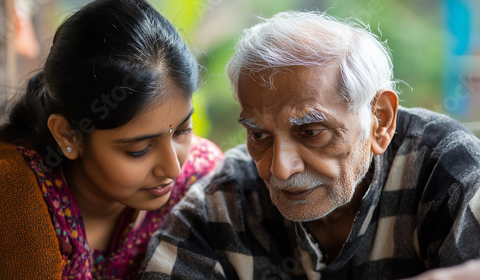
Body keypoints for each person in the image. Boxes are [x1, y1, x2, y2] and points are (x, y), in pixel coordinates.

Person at [140, 10, 480, 280]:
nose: (280, 169)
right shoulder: (219, 206)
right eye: (259, 135)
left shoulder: (447, 168)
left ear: (380, 120)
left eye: (311, 132)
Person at [0, 0, 223, 279]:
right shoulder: (8, 195)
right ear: (68, 135)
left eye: (182, 130)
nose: (173, 169)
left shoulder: (201, 180)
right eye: (139, 149)